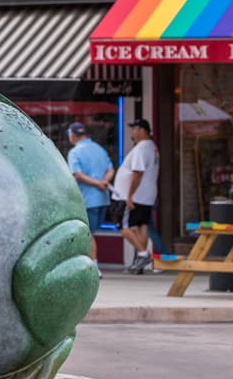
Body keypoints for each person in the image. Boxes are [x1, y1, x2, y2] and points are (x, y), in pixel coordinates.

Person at [114, 118, 163, 275]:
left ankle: (142, 254)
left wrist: (129, 196)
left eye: (134, 129)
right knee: (142, 226)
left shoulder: (141, 148)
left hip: (135, 195)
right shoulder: (152, 147)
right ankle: (140, 264)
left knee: (122, 225)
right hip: (147, 195)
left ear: (141, 130)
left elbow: (137, 172)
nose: (132, 132)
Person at [66, 122, 115, 273]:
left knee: (88, 233)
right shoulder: (99, 149)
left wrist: (98, 183)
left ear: (72, 136)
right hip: (102, 199)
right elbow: (110, 169)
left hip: (86, 199)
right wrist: (104, 182)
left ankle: (94, 267)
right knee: (91, 232)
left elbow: (78, 175)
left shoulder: (74, 152)